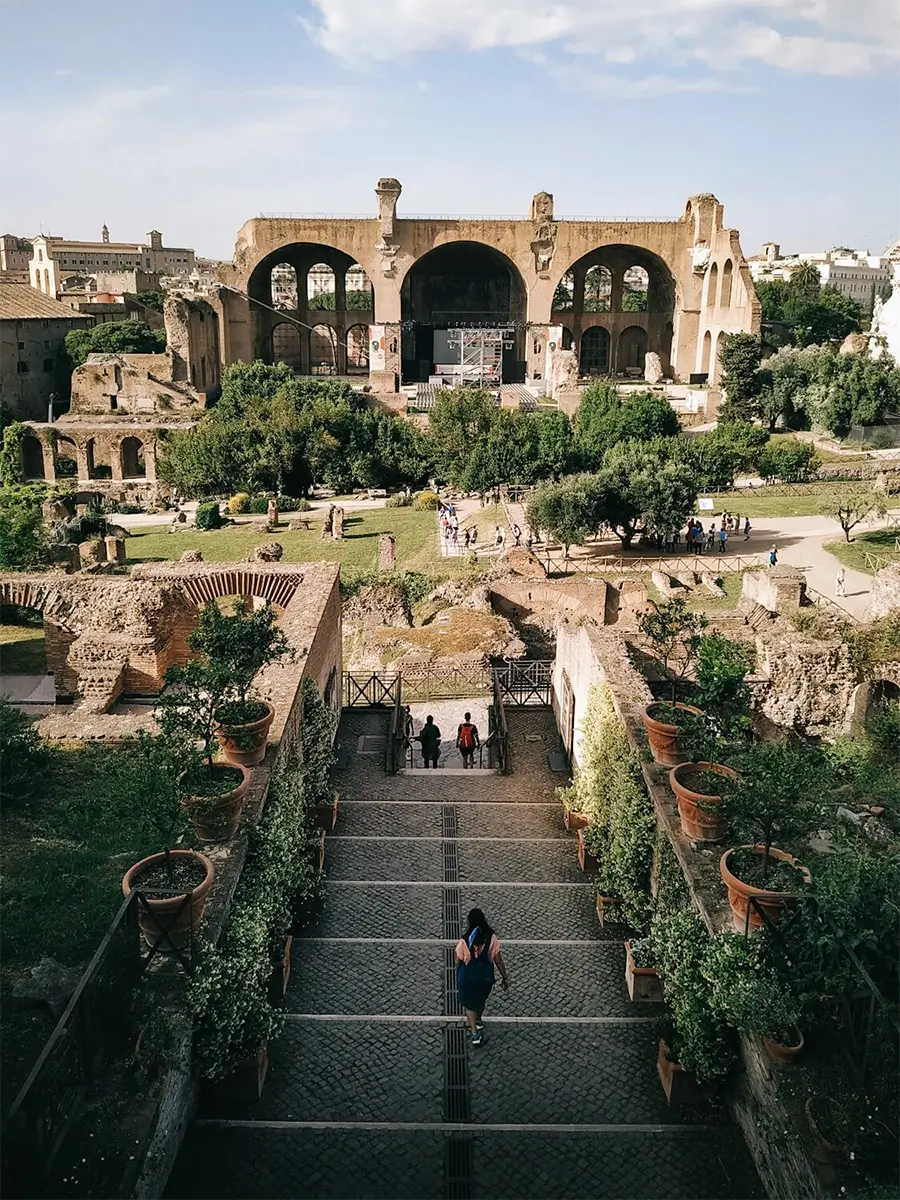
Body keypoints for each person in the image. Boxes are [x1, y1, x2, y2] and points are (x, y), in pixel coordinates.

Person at [456, 907, 509, 1045]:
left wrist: (458, 972)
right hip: (485, 979)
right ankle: (478, 1019)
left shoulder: (465, 940)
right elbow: (498, 960)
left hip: (468, 978)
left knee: (469, 1005)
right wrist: (504, 977)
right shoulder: (492, 938)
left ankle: (475, 1034)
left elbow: (458, 960)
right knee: (480, 1000)